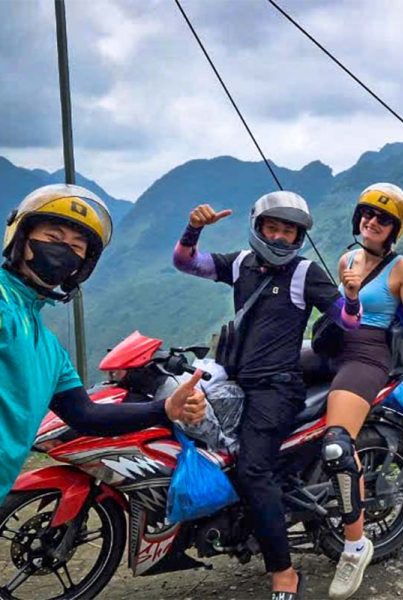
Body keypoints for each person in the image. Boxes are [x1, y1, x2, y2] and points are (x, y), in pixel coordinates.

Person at [173, 191, 362, 600]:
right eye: (272, 228)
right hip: (236, 382)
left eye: (288, 231)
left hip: (277, 388)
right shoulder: (241, 264)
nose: (278, 237)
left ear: (298, 236)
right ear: (258, 228)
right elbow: (186, 262)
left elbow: (346, 322)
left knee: (252, 470)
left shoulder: (305, 273)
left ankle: (284, 573)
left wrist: (350, 296)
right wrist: (194, 229)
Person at [1, 184, 206, 506]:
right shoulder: (4, 304)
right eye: (53, 238)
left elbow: (86, 414)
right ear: (22, 239)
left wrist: (164, 409)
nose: (64, 251)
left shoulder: (50, 350)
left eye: (76, 247)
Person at [322, 183, 403, 599]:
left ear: (395, 230)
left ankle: (354, 545)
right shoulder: (346, 259)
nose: (373, 222)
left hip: (368, 355)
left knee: (337, 444)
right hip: (335, 344)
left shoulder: (400, 268)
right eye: (368, 214)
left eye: (383, 219)